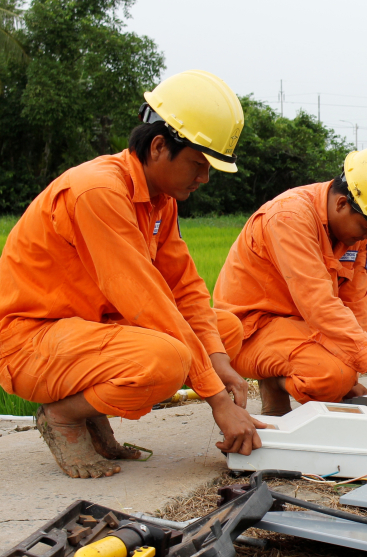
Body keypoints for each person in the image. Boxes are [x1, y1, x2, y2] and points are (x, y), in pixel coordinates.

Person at [0, 70, 265, 479]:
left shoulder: (162, 201)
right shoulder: (99, 191)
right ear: (159, 146)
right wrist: (217, 399)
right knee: (166, 359)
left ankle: (91, 414)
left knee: (223, 329)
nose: (204, 178)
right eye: (198, 163)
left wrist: (219, 364)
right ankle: (63, 415)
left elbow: (187, 290)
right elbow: (146, 301)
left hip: (84, 331)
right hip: (30, 341)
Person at [213, 146, 367, 420]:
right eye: (365, 229)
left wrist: (360, 362)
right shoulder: (289, 218)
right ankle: (274, 382)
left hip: (304, 320)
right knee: (333, 376)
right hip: (255, 328)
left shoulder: (356, 231)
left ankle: (329, 372)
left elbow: (358, 298)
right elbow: (319, 304)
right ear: (342, 204)